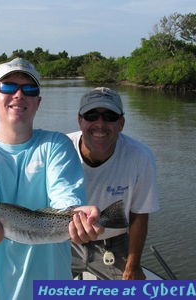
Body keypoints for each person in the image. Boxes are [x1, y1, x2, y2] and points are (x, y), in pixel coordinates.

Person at [0, 58, 103, 299]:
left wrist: (79, 217)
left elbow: (65, 199)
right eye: (9, 87)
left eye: (29, 89)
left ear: (38, 102)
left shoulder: (57, 145)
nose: (19, 95)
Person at [68, 87, 160, 280]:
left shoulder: (140, 156)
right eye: (91, 115)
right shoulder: (60, 149)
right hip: (64, 239)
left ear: (121, 123)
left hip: (113, 242)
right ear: (80, 120)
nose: (100, 124)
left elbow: (139, 215)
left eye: (109, 116)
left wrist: (133, 265)